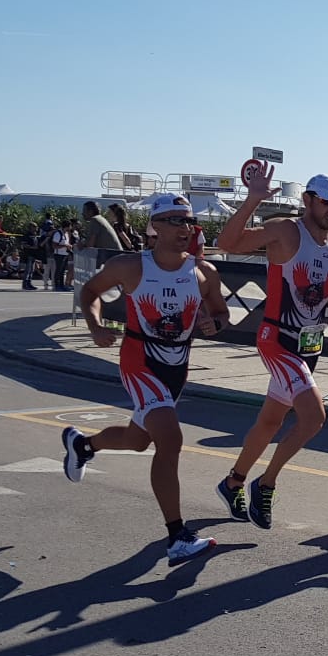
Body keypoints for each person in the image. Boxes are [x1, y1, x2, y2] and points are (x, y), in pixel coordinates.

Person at [61, 193, 231, 565]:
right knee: (170, 439)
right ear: (154, 226)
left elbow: (222, 314)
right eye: (174, 220)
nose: (184, 228)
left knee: (139, 440)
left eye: (188, 221)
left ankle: (83, 445)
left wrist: (213, 323)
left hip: (177, 366)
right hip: (140, 360)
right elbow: (89, 291)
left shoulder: (204, 272)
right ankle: (177, 536)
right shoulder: (130, 267)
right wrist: (95, 325)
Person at [212, 170, 328, 529]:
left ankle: (233, 482)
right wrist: (253, 200)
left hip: (310, 344)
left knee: (271, 421)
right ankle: (266, 483)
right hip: (277, 339)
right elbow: (227, 243)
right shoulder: (285, 230)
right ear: (308, 200)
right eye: (327, 202)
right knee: (314, 417)